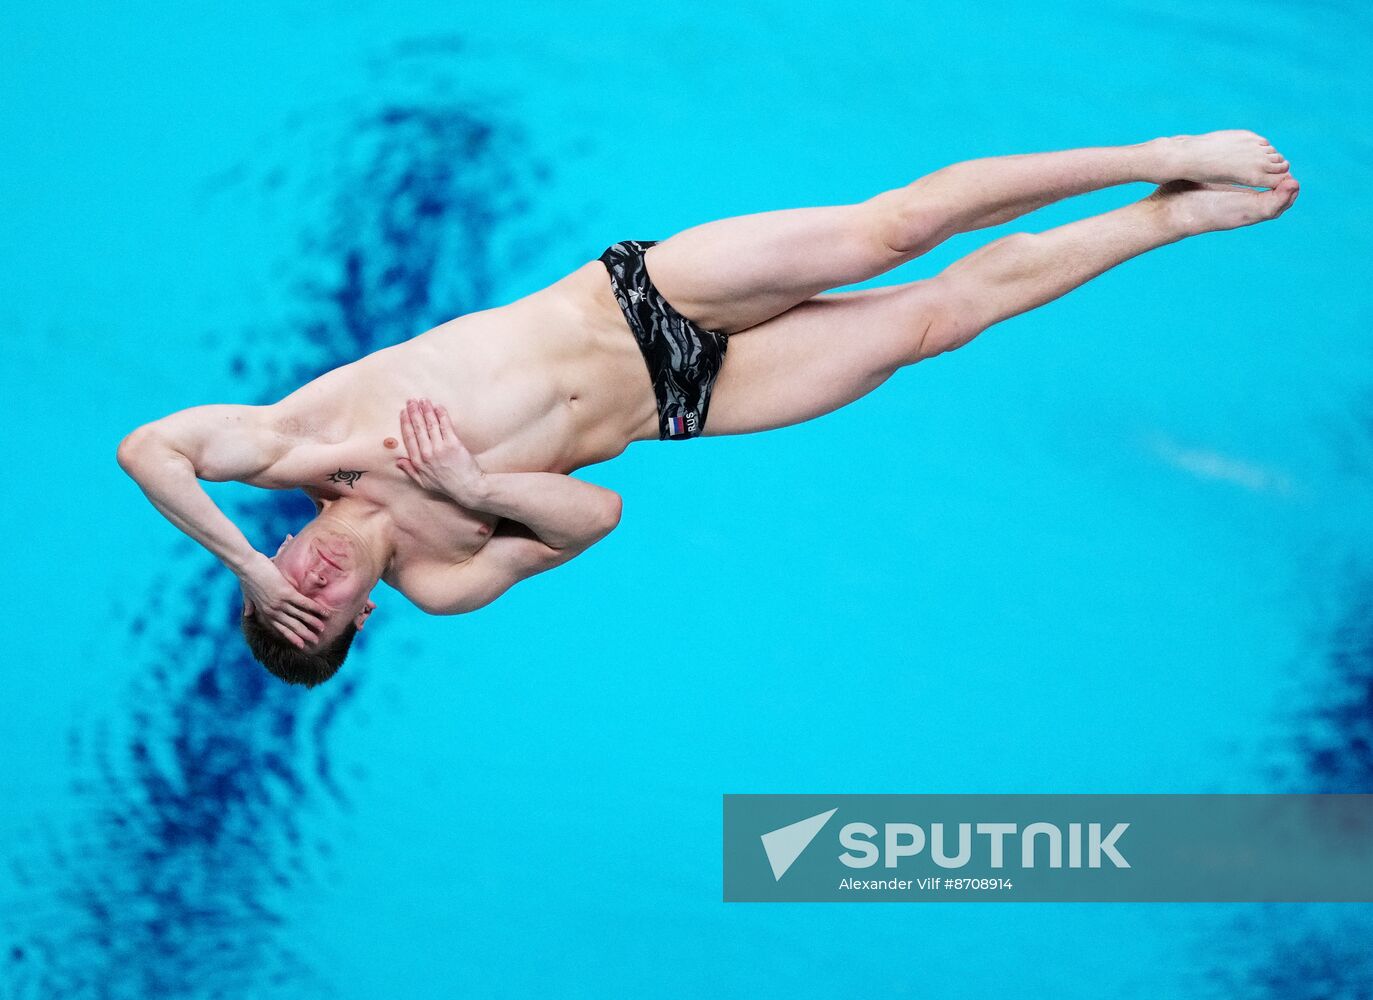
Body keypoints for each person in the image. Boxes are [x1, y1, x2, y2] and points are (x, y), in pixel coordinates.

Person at [117, 130, 1298, 686]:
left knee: (888, 231)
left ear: (274, 558)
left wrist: (234, 563)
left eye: (288, 588)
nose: (309, 588)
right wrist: (470, 490)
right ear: (362, 619)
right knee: (934, 321)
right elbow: (597, 517)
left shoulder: (296, 450)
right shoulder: (441, 574)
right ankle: (1163, 216)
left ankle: (1157, 150)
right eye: (321, 614)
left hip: (633, 300)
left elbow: (149, 447)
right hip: (687, 401)